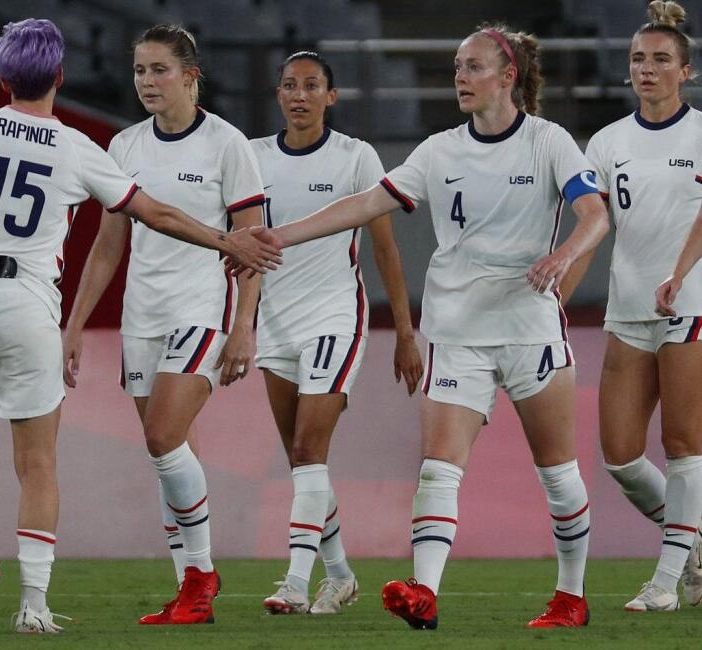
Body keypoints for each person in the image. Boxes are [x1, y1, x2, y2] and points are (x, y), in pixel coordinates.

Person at [0, 19, 279, 635]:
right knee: (38, 461)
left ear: (1, 77)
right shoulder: (78, 147)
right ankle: (35, 605)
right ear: (60, 77)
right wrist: (222, 239)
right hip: (30, 303)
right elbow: (154, 213)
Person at [252, 23, 611, 629]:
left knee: (559, 474)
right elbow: (365, 203)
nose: (460, 79)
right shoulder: (439, 150)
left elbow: (595, 215)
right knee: (439, 467)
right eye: (457, 68)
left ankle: (570, 595)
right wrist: (280, 235)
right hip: (456, 333)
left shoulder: (548, 142)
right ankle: (424, 592)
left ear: (508, 76)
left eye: (474, 67)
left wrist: (565, 254)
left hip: (529, 330)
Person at [62, 23, 266, 626]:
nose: (147, 81)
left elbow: (251, 246)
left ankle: (201, 576)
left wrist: (244, 326)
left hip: (201, 307)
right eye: (139, 70)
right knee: (170, 452)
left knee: (160, 435)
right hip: (141, 316)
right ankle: (190, 590)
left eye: (159, 70)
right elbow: (108, 246)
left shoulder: (228, 145)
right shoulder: (124, 146)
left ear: (190, 75)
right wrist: (75, 324)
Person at [251, 51, 421, 616]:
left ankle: (295, 583)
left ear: (331, 96)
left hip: (334, 317)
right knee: (303, 464)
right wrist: (240, 325)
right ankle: (341, 575)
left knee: (308, 450)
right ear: (278, 94)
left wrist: (405, 331)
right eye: (289, 85)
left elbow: (385, 248)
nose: (299, 95)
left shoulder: (356, 156)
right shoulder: (253, 157)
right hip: (274, 322)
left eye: (311, 85)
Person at [610, 0, 702, 612]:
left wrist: (679, 273)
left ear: (685, 71)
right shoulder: (608, 141)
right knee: (619, 454)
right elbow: (593, 224)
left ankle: (668, 581)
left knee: (683, 442)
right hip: (627, 306)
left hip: (690, 300)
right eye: (639, 58)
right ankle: (694, 539)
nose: (647, 68)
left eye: (661, 59)